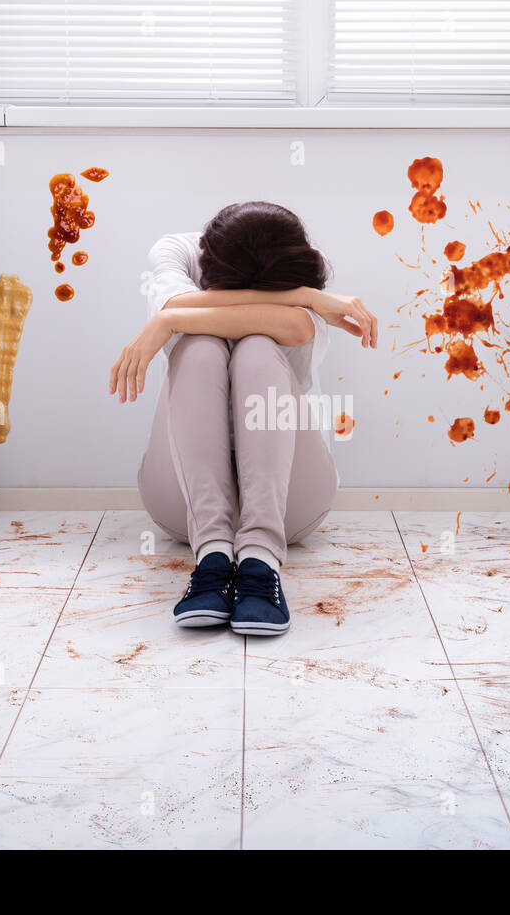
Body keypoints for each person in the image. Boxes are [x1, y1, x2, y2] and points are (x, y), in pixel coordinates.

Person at [109, 202, 376, 636]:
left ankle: (261, 560)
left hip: (293, 506)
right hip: (182, 506)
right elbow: (179, 299)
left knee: (255, 345)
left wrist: (171, 320)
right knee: (198, 348)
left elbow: (296, 327)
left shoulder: (300, 272)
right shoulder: (180, 252)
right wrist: (304, 298)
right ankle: (212, 554)